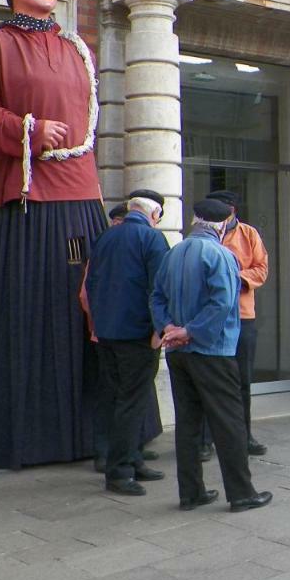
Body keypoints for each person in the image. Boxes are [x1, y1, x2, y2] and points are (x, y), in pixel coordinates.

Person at [0, 0, 105, 469]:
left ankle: (106, 433)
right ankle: (31, 439)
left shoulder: (77, 48)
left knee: (97, 314)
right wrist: (29, 130)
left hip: (84, 197)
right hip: (28, 199)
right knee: (31, 318)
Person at [151, 199, 272, 513]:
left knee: (188, 424)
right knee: (229, 423)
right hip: (211, 351)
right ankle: (242, 493)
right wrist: (190, 331)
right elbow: (221, 304)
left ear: (195, 221)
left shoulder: (173, 252)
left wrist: (169, 328)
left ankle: (191, 492)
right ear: (221, 225)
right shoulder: (221, 254)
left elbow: (156, 297)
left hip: (179, 353)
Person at [82, 191, 170, 496]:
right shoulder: (152, 239)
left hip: (107, 333)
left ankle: (132, 460)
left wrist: (99, 324)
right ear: (154, 215)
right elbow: (159, 288)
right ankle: (120, 472)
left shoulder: (106, 238)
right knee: (132, 402)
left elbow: (91, 285)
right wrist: (161, 329)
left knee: (120, 399)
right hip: (138, 334)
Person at [200, 190, 270, 455]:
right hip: (209, 318)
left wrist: (233, 277)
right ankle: (205, 440)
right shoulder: (203, 235)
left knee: (243, 380)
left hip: (242, 316)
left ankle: (243, 436)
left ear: (232, 210)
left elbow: (261, 268)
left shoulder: (249, 234)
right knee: (209, 379)